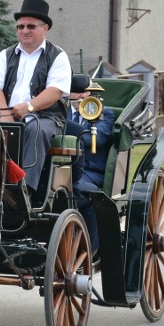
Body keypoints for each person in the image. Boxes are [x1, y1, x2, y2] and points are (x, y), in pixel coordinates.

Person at [0, 0, 71, 196]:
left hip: (46, 117)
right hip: (8, 114)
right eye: (20, 26)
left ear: (45, 28)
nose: (24, 30)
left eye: (30, 26)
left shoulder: (58, 56)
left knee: (35, 128)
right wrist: (5, 115)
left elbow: (55, 91)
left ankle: (24, 191)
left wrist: (29, 107)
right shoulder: (5, 55)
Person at [66, 85, 115, 255]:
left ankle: (91, 247)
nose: (83, 95)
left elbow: (99, 139)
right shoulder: (59, 110)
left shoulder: (102, 111)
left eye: (85, 91)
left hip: (90, 170)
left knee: (77, 190)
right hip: (61, 167)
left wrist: (67, 130)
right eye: (77, 90)